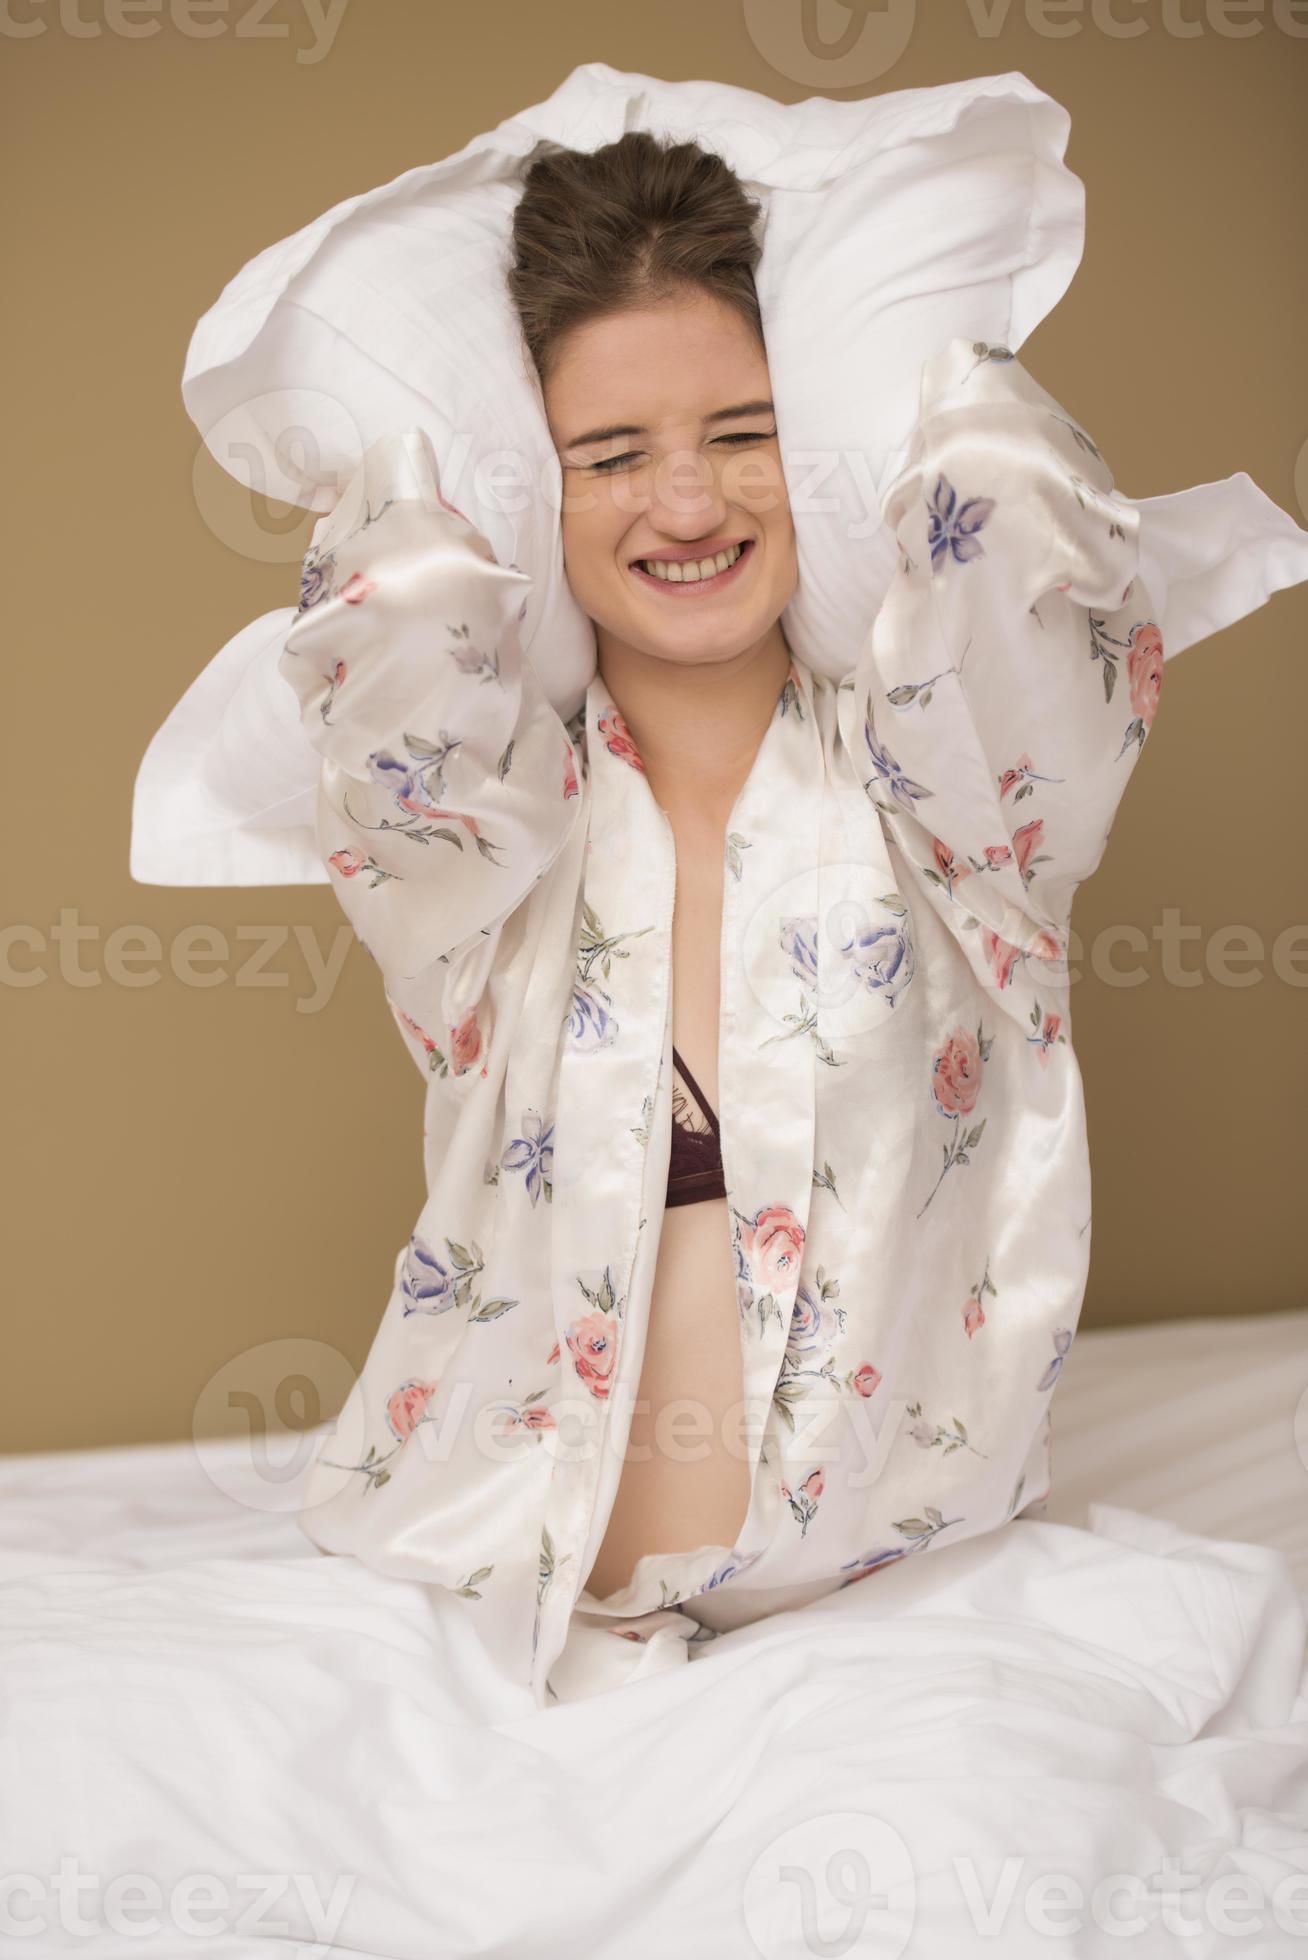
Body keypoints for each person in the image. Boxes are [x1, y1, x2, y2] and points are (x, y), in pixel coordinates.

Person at [279, 130, 1166, 1706]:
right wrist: (457, 461)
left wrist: (895, 372)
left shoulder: (957, 807)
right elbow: (393, 636)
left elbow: (1021, 528)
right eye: (607, 456)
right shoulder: (483, 859)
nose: (683, 501)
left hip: (886, 1628)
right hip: (502, 1626)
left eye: (744, 434)